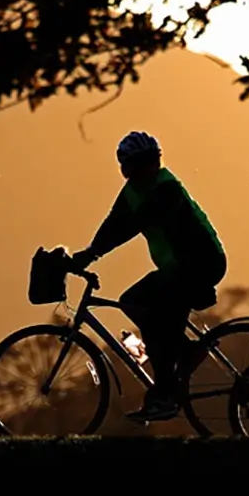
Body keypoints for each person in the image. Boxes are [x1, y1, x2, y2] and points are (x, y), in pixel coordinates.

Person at [70, 131, 227, 423]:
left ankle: (167, 393)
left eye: (153, 161)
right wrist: (87, 253)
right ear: (128, 167)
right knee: (142, 310)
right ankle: (181, 360)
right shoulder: (132, 191)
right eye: (142, 163)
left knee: (143, 310)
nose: (151, 167)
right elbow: (114, 223)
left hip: (201, 263)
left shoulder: (166, 187)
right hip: (178, 267)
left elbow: (133, 224)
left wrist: (93, 254)